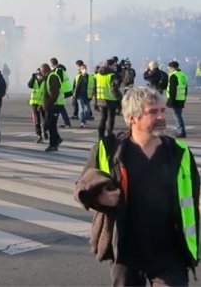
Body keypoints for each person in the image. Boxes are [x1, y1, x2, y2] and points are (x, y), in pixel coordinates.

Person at [74, 87, 199, 286]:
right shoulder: (108, 149)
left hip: (170, 251)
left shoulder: (179, 152)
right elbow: (82, 187)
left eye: (162, 110)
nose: (161, 116)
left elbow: (192, 196)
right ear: (132, 118)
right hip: (125, 251)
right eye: (153, 112)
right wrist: (100, 198)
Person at [96, 58, 123, 139]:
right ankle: (109, 134)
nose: (115, 67)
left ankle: (100, 135)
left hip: (100, 99)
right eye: (114, 65)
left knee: (103, 117)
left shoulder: (98, 75)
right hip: (111, 99)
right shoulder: (111, 75)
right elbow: (114, 89)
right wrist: (120, 98)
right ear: (110, 65)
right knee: (111, 117)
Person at [41, 63, 64, 152]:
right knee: (51, 124)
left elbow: (54, 94)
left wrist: (48, 104)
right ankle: (57, 140)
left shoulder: (52, 77)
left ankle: (53, 144)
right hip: (52, 105)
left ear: (44, 71)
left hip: (55, 105)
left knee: (51, 125)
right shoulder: (48, 77)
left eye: (42, 71)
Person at [166, 61, 188, 138]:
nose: (168, 69)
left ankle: (181, 131)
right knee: (178, 115)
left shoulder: (173, 76)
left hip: (175, 99)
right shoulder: (183, 75)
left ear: (172, 68)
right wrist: (184, 98)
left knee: (177, 116)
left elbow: (173, 89)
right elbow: (185, 88)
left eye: (169, 68)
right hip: (181, 98)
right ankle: (181, 131)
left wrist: (170, 101)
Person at [28, 66, 47, 144]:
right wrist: (32, 78)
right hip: (34, 103)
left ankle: (45, 131)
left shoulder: (45, 80)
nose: (38, 74)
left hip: (43, 103)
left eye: (40, 73)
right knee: (37, 120)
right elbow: (29, 85)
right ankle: (39, 135)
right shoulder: (34, 80)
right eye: (37, 73)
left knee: (45, 120)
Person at [73, 63, 95, 128]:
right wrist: (73, 94)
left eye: (85, 68)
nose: (84, 70)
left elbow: (93, 86)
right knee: (81, 109)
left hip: (88, 95)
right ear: (80, 69)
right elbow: (74, 86)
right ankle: (82, 122)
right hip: (80, 95)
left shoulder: (91, 77)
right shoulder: (77, 77)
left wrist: (93, 95)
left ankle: (85, 118)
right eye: (83, 68)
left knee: (87, 110)